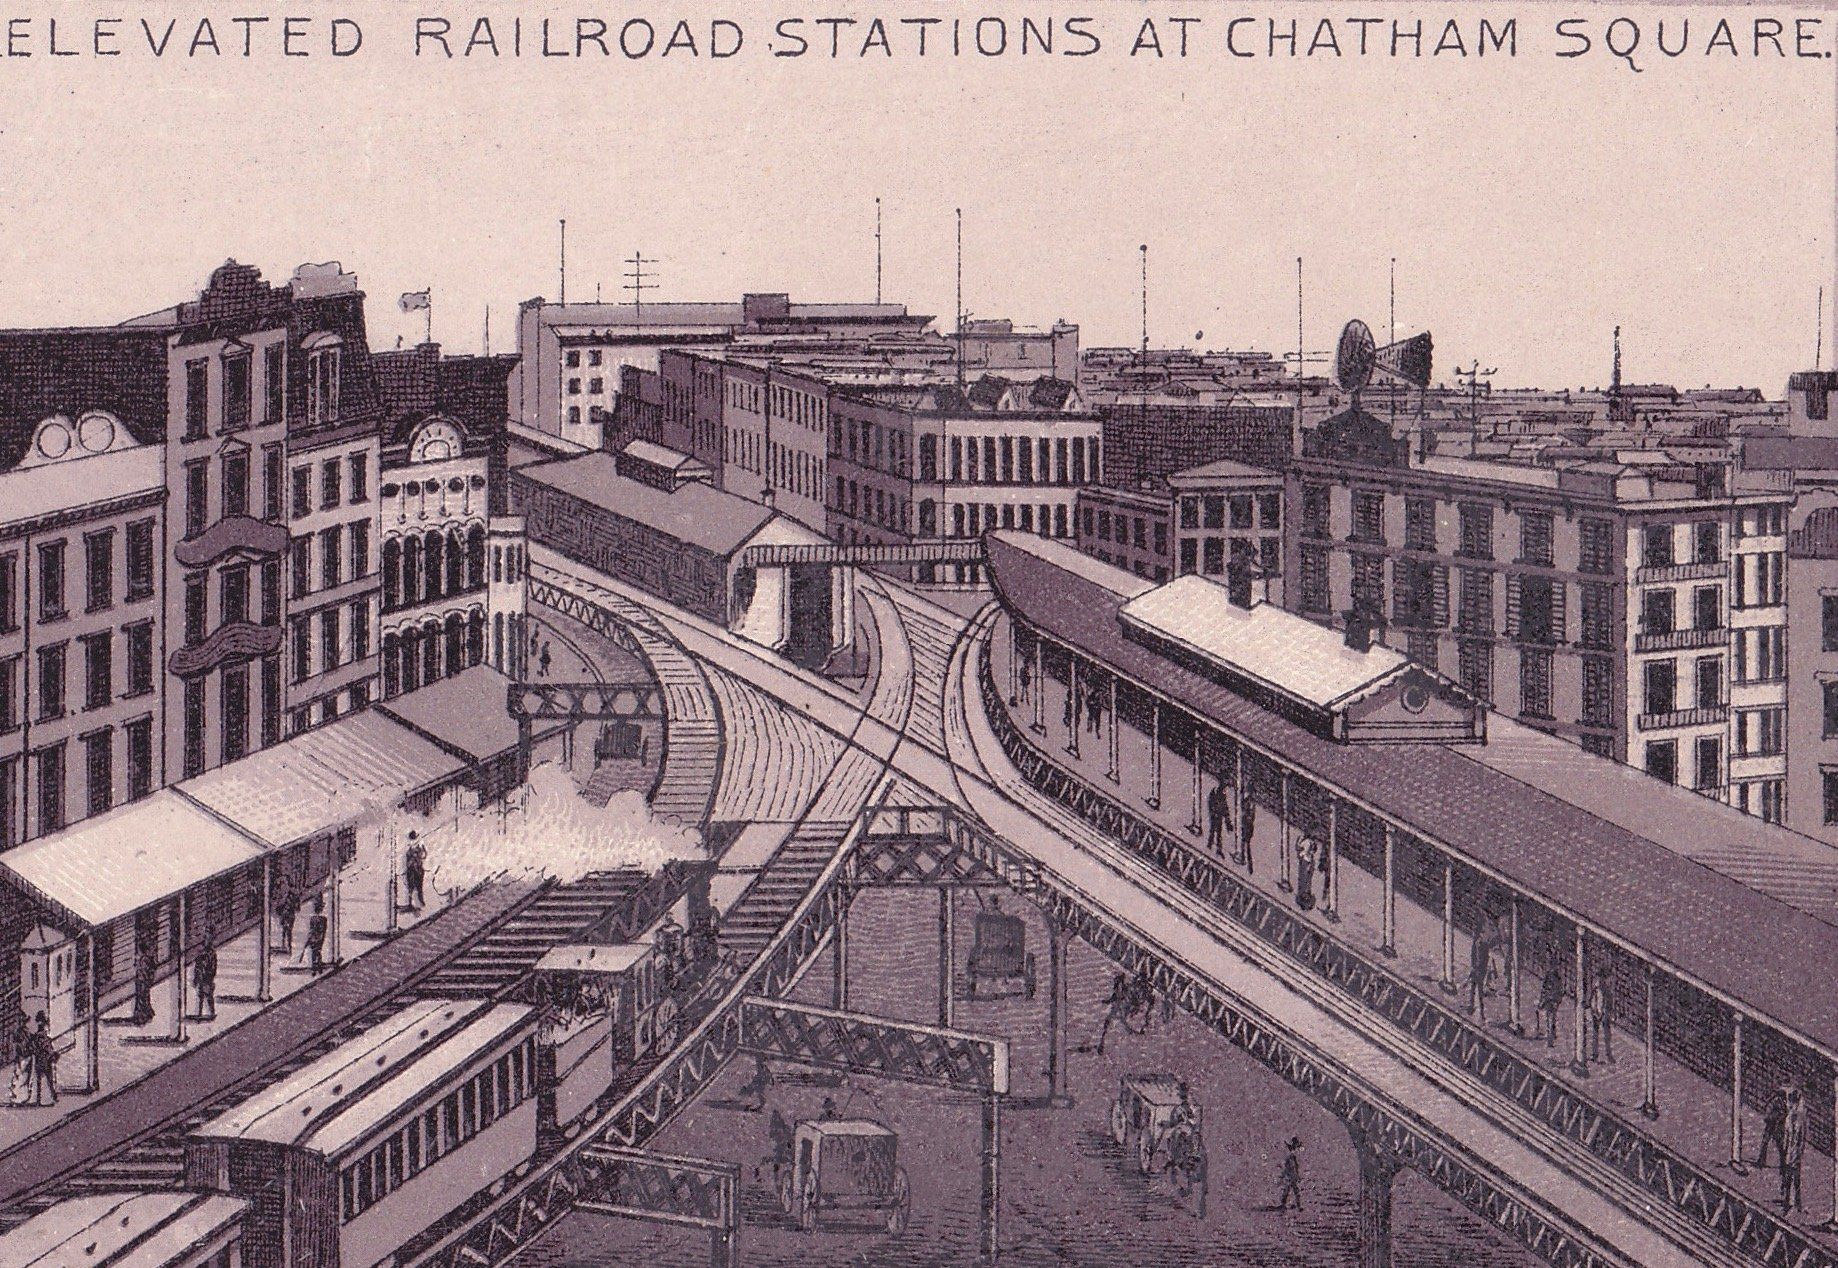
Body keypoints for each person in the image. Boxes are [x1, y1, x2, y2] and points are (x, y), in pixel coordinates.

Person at [1782, 1085, 1807, 1212]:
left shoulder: (1800, 1120)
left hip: (1795, 1153)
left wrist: (1799, 1154)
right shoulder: (1788, 1119)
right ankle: (1787, 1199)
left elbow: (1801, 1139)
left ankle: (1796, 1202)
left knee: (1795, 1178)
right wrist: (1785, 1148)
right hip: (1788, 1152)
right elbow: (1786, 1136)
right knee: (1787, 1176)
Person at [1756, 1084, 1793, 1168]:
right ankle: (1781, 1163)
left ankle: (1780, 1163)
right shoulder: (1780, 1103)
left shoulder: (1777, 1102)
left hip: (1774, 1125)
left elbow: (1771, 1113)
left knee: (1772, 1143)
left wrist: (1773, 1118)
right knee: (1775, 1144)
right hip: (1774, 1124)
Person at [27, 1013, 56, 1106]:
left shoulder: (35, 1037)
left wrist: (35, 1052)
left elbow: (31, 1047)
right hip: (44, 1059)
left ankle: (38, 1099)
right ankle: (47, 1099)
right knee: (47, 1078)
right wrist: (52, 1054)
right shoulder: (43, 1037)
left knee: (39, 1079)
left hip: (39, 1059)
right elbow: (47, 1047)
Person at [1587, 966, 1614, 1064]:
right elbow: (1596, 1001)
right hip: (1599, 1013)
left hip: (1602, 1013)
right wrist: (1597, 1012)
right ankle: (1597, 1054)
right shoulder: (1600, 989)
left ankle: (1606, 1054)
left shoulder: (1605, 989)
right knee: (1598, 1034)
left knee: (1605, 1035)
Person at [1467, 931, 1495, 1023]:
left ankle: (1475, 1009)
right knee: (1476, 989)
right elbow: (1476, 957)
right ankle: (1476, 1010)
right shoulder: (1478, 945)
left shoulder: (1482, 946)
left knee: (1476, 989)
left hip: (1479, 970)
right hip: (1478, 970)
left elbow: (1482, 959)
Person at [1535, 963, 1565, 1048]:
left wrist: (1543, 1001)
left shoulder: (1552, 978)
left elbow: (1545, 990)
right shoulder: (1557, 978)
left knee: (1550, 1020)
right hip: (1552, 1000)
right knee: (1551, 1019)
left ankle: (1550, 1039)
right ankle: (1551, 1036)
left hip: (1550, 1000)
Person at [192, 935, 218, 1021]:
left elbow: (213, 968)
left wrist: (209, 977)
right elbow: (198, 968)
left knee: (208, 996)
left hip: (207, 979)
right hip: (202, 978)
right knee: (201, 996)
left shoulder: (211, 954)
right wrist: (196, 978)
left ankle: (211, 1013)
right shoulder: (202, 955)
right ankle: (200, 1013)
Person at [1276, 1136, 1304, 1211]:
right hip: (1290, 1175)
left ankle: (1297, 1205)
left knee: (1293, 1190)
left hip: (1292, 1175)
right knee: (1289, 1190)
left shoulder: (1292, 1155)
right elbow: (1289, 1166)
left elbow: (1295, 1166)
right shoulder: (1290, 1155)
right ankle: (1285, 1204)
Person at [131, 943, 156, 1026]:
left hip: (142, 981)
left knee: (142, 999)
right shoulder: (145, 959)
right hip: (143, 981)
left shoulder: (144, 959)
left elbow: (144, 971)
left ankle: (142, 1017)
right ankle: (146, 1014)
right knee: (144, 998)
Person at [1206, 780, 1233, 856]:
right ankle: (1211, 845)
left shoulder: (1220, 795)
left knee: (1217, 832)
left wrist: (1227, 821)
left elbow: (1224, 807)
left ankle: (1215, 847)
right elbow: (1222, 807)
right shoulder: (1216, 794)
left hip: (1218, 816)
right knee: (1214, 831)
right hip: (1216, 815)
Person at [305, 895, 329, 975]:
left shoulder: (313, 919)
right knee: (317, 952)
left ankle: (315, 967)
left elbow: (312, 929)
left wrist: (309, 938)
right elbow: (323, 929)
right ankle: (318, 966)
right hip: (319, 937)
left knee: (314, 952)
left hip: (314, 937)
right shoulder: (323, 919)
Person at [1294, 836, 1317, 911]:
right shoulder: (1307, 842)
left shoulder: (1310, 843)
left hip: (1307, 861)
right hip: (1306, 861)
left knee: (1306, 876)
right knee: (1306, 876)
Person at [404, 833, 427, 911]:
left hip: (418, 870)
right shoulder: (409, 850)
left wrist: (418, 855)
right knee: (411, 887)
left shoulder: (419, 848)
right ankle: (412, 903)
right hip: (412, 870)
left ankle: (420, 902)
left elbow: (424, 855)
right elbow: (408, 862)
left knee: (419, 887)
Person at [276, 882, 300, 955]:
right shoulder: (291, 896)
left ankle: (286, 945)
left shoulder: (293, 897)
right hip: (287, 914)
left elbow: (297, 908)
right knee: (287, 930)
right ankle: (286, 945)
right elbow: (297, 909)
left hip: (288, 915)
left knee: (287, 930)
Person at [1238, 795, 1257, 871]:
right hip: (1247, 829)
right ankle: (1245, 860)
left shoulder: (1248, 812)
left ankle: (1245, 860)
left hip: (1247, 829)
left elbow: (1250, 819)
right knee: (1246, 845)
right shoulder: (1249, 811)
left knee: (1245, 845)